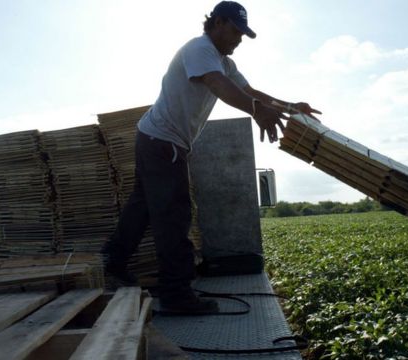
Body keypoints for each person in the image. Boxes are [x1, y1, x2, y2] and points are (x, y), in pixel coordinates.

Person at [102, 1, 321, 313]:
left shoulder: (223, 62)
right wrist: (258, 112)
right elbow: (219, 87)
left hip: (156, 139)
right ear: (217, 23)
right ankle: (177, 296)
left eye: (243, 34)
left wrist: (290, 107)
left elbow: (250, 91)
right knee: (174, 215)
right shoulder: (199, 49)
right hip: (163, 142)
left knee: (145, 206)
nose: (239, 40)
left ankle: (114, 258)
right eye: (235, 31)